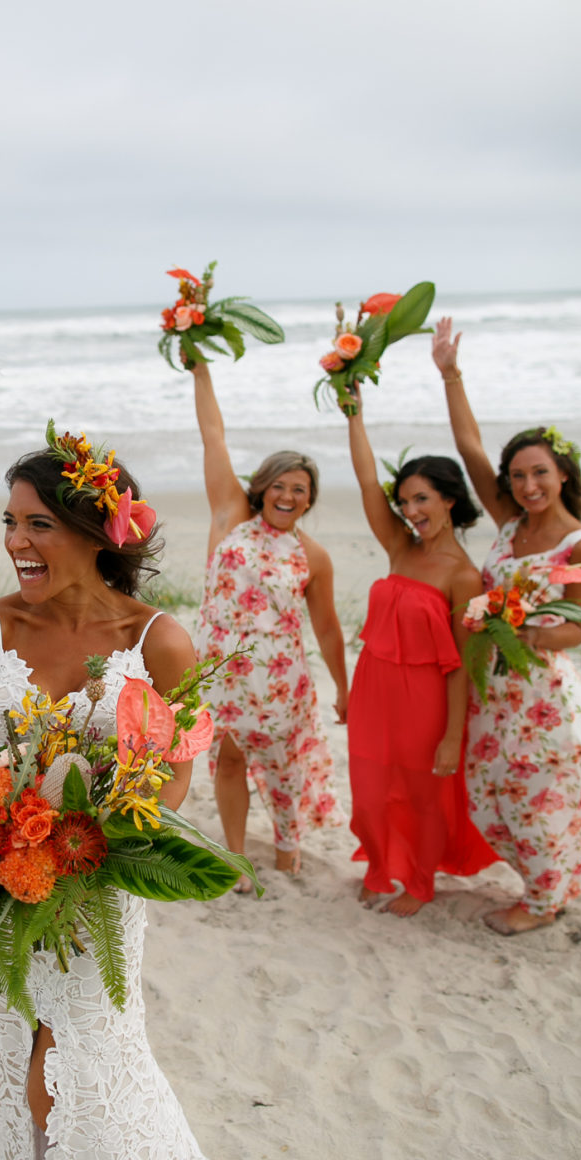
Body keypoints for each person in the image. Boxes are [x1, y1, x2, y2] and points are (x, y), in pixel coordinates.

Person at [0, 436, 267, 1160]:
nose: (17, 541)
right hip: (11, 879)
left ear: (95, 529)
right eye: (10, 522)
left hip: (103, 880)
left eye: (39, 523)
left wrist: (117, 820)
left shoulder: (159, 639)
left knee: (90, 1037)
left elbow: (184, 764)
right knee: (30, 1032)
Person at [433, 318, 581, 933]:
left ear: (564, 474)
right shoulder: (507, 523)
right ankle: (550, 882)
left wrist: (538, 637)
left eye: (540, 474)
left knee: (536, 799)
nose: (528, 485)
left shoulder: (575, 545)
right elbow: (471, 448)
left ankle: (544, 902)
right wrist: (450, 374)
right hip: (492, 690)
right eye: (519, 476)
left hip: (542, 691)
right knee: (491, 800)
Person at [190, 358, 347, 883]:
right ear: (262, 487)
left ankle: (286, 848)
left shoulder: (313, 556)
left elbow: (326, 628)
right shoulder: (231, 516)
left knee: (283, 772)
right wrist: (200, 371)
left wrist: (343, 688)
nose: (287, 496)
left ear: (310, 500)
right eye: (280, 485)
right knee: (229, 763)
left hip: (281, 683)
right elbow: (213, 436)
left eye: (299, 489)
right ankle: (235, 854)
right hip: (222, 675)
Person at [343, 393, 495, 915]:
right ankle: (382, 866)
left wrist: (453, 735)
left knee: (418, 795)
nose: (410, 512)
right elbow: (367, 484)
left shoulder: (466, 576)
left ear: (449, 500)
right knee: (370, 788)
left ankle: (419, 882)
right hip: (373, 685)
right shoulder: (400, 546)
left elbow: (466, 664)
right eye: (405, 501)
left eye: (422, 500)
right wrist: (354, 416)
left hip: (425, 698)